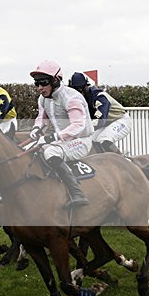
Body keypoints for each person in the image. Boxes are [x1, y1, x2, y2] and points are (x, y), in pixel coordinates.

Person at [29, 60, 94, 208]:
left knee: (51, 152)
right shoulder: (43, 99)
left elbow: (78, 125)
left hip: (81, 140)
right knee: (28, 150)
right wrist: (36, 129)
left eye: (43, 82)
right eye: (36, 83)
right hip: (63, 141)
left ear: (55, 80)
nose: (40, 88)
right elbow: (42, 120)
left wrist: (53, 137)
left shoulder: (72, 98)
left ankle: (77, 193)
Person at [68, 72, 131, 154]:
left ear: (86, 87)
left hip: (121, 120)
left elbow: (100, 121)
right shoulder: (81, 100)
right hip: (107, 123)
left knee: (104, 139)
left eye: (79, 90)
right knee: (91, 141)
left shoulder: (99, 96)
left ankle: (123, 160)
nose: (78, 94)